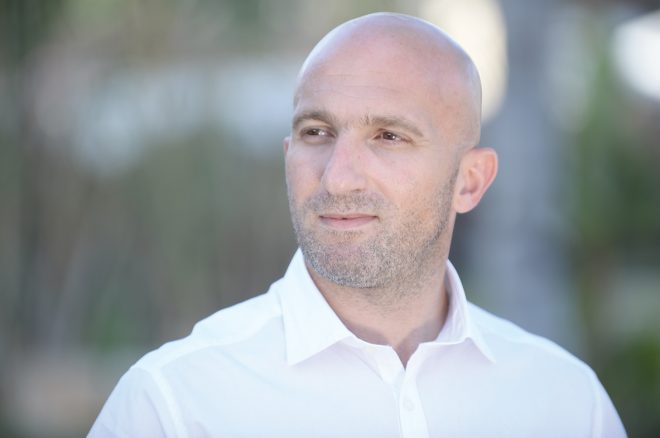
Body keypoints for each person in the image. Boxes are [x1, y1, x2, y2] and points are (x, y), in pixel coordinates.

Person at [89, 12, 626, 437]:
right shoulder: (173, 405)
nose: (338, 178)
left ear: (470, 182)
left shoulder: (567, 404)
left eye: (389, 137)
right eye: (317, 132)